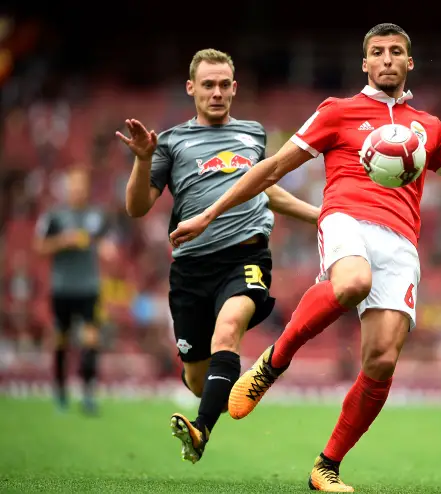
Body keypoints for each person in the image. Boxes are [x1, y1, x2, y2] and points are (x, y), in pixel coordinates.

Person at [169, 27, 441, 491]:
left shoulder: (430, 127)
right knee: (351, 282)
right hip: (346, 218)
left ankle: (326, 466)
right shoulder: (337, 112)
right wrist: (207, 214)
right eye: (377, 53)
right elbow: (272, 168)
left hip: (402, 242)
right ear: (364, 64)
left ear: (410, 63)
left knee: (382, 361)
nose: (387, 60)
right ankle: (272, 363)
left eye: (396, 53)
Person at [116, 49, 319, 464]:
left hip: (246, 256)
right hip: (191, 268)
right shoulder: (171, 142)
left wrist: (320, 215)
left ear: (235, 88)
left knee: (228, 330)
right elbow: (137, 207)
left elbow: (264, 187)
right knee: (197, 379)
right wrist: (142, 160)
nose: (217, 92)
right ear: (191, 88)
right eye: (208, 84)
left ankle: (200, 430)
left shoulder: (253, 133)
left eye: (225, 84)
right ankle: (218, 392)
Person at [34, 167, 113, 415]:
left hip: (89, 287)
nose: (78, 191)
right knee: (61, 340)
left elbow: (103, 241)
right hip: (62, 288)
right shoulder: (54, 217)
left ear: (87, 189)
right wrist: (63, 241)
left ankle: (88, 394)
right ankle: (60, 395)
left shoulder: (97, 215)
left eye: (82, 186)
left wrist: (105, 248)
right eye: (74, 186)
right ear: (67, 188)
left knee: (91, 339)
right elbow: (38, 247)